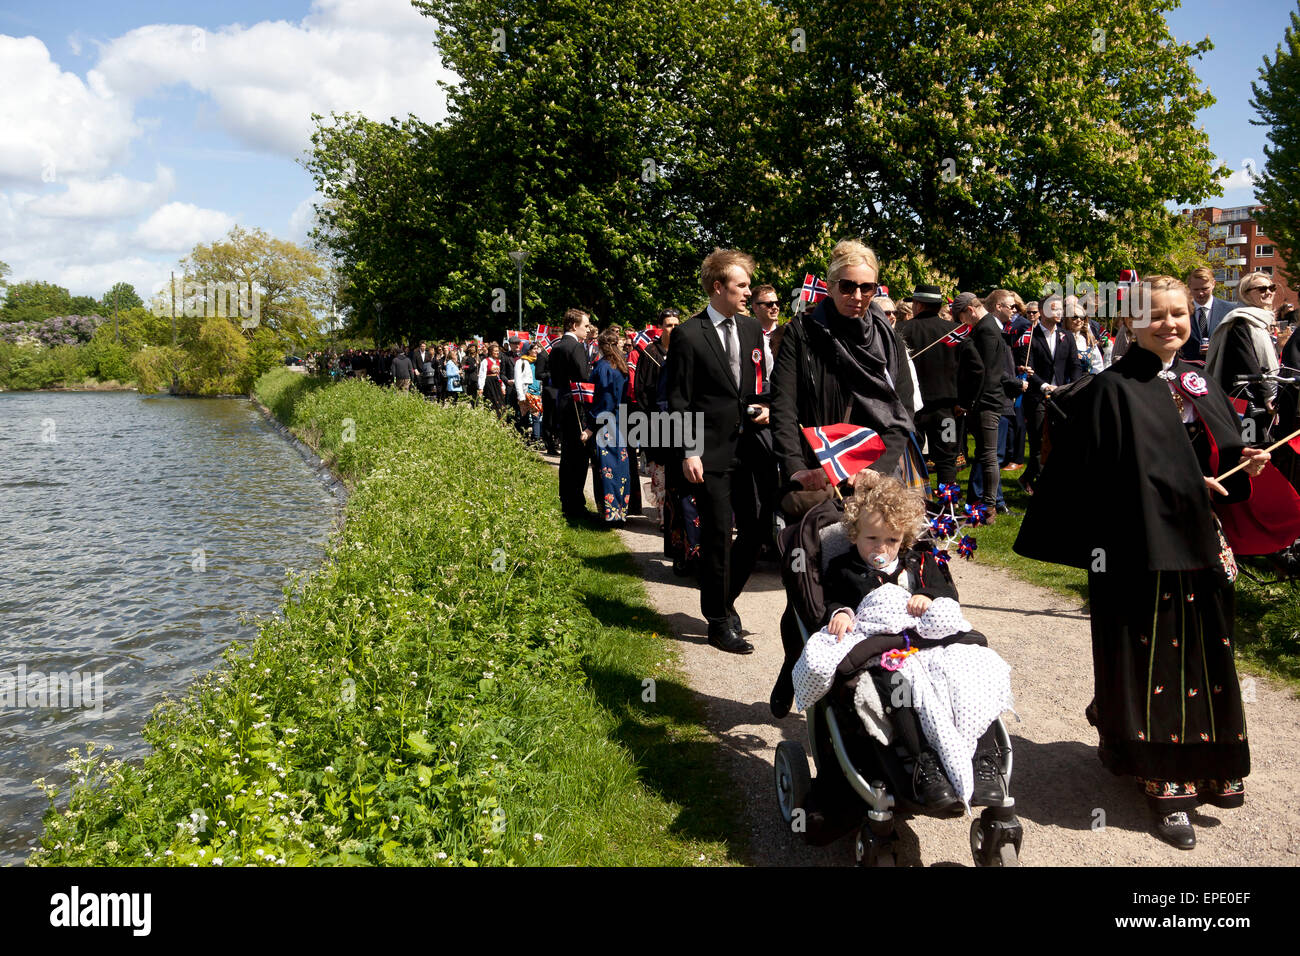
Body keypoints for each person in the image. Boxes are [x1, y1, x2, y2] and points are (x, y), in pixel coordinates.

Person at [1014, 274, 1269, 849]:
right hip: (1138, 552)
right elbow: (1101, 480)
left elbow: (1218, 451)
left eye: (1178, 313)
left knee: (1205, 655)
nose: (1171, 323)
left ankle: (1206, 760)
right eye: (1157, 314)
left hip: (1199, 544)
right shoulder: (1111, 389)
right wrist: (1184, 481)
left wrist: (1241, 462)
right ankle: (1162, 781)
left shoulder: (1198, 379)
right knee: (1153, 661)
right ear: (1130, 322)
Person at [818, 470, 1010, 810]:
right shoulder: (843, 568)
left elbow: (946, 595)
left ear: (904, 538)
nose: (881, 548)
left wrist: (927, 596)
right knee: (899, 685)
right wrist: (843, 614)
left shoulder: (920, 562)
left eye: (891, 540)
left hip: (931, 645)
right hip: (887, 650)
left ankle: (983, 760)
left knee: (972, 674)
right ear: (853, 534)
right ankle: (926, 763)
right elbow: (833, 600)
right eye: (871, 539)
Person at [666, 247, 767, 654]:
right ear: (717, 287)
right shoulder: (689, 334)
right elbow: (678, 399)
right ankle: (718, 620)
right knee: (718, 532)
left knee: (757, 527)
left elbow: (757, 384)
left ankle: (725, 599)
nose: (748, 292)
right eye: (742, 285)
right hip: (708, 452)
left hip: (750, 446)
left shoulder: (751, 330)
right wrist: (689, 450)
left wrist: (764, 406)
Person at [770, 240, 920, 505]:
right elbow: (784, 407)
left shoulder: (889, 340)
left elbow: (902, 411)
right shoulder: (802, 334)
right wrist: (795, 467)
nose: (858, 296)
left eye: (867, 287)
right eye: (848, 286)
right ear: (830, 286)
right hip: (817, 471)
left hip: (874, 473)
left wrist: (877, 469)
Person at [954, 292, 1020, 518]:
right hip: (988, 399)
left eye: (962, 317)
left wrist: (969, 401)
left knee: (989, 455)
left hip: (987, 401)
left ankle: (989, 506)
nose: (963, 323)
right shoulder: (989, 327)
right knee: (986, 453)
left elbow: (986, 371)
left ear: (970, 310)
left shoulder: (986, 329)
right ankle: (981, 503)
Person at [1206, 271, 1281, 444]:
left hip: (1259, 398)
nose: (1268, 292)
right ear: (1246, 294)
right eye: (1262, 289)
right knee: (1248, 448)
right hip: (1243, 401)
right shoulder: (1240, 321)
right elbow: (1249, 362)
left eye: (1272, 287)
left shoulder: (1261, 321)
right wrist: (1268, 395)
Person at [1018, 294, 1081, 495]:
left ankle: (1044, 478)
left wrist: (1072, 387)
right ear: (1044, 311)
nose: (1060, 313)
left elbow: (1074, 365)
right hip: (1038, 396)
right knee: (1038, 442)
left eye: (1061, 309)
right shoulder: (1029, 337)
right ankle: (1031, 479)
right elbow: (1028, 367)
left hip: (1062, 396)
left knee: (1058, 441)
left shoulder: (1067, 336)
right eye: (1055, 309)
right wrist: (1044, 385)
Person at [900, 284, 958, 487]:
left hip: (913, 409)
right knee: (947, 458)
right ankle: (948, 502)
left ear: (918, 305)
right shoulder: (954, 332)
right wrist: (965, 400)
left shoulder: (900, 330)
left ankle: (915, 502)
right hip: (945, 409)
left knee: (912, 457)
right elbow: (975, 368)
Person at [550, 309, 596, 521]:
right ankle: (576, 504)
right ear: (573, 326)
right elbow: (584, 376)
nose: (588, 330)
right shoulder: (575, 347)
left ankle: (567, 500)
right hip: (577, 405)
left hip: (562, 401)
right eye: (585, 326)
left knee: (568, 455)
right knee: (578, 456)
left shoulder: (557, 346)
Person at [591, 327, 632, 524]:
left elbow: (604, 402)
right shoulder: (621, 366)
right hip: (619, 421)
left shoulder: (603, 368)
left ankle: (610, 514)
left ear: (601, 346)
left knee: (607, 469)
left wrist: (591, 424)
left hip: (606, 424)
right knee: (620, 470)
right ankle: (620, 512)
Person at [1181, 266, 1234, 361]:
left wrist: (1216, 349)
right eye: (1196, 290)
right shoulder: (1181, 310)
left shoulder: (1230, 310)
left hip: (1219, 368)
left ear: (1213, 284)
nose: (1200, 293)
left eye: (1205, 289)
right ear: (1189, 287)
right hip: (1189, 368)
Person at [480, 342, 507, 419]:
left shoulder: (498, 361)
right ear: (491, 352)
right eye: (495, 351)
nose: (497, 352)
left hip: (497, 383)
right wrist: (481, 387)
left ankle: (500, 419)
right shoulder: (485, 361)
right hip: (489, 383)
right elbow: (482, 375)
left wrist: (503, 386)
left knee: (500, 402)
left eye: (498, 351)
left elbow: (499, 375)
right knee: (491, 401)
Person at [461, 342, 481, 407]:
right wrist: (472, 366)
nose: (472, 349)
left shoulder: (478, 357)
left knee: (476, 394)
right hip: (468, 378)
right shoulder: (465, 358)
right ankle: (473, 405)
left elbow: (480, 368)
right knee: (470, 393)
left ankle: (476, 405)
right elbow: (463, 367)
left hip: (476, 378)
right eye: (471, 347)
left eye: (473, 347)